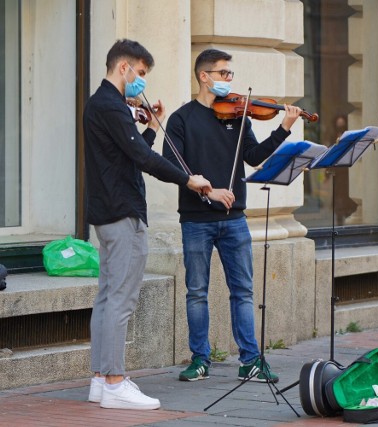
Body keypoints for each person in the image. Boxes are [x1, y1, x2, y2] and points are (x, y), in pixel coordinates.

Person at [83, 39, 212, 410]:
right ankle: (114, 381)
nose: (142, 82)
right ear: (123, 68)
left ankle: (100, 379)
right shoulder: (110, 105)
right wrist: (188, 180)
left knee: (108, 297)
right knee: (121, 299)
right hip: (121, 212)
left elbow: (132, 153)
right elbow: (142, 157)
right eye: (140, 73)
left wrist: (151, 126)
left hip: (109, 211)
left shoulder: (104, 105)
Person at [163, 48, 302, 383]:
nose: (228, 80)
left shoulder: (238, 117)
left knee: (243, 291)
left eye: (230, 75)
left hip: (234, 219)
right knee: (197, 291)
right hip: (196, 219)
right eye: (223, 74)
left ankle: (250, 360)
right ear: (204, 76)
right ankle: (200, 360)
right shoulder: (181, 119)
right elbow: (171, 166)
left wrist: (283, 128)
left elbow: (254, 157)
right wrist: (206, 189)